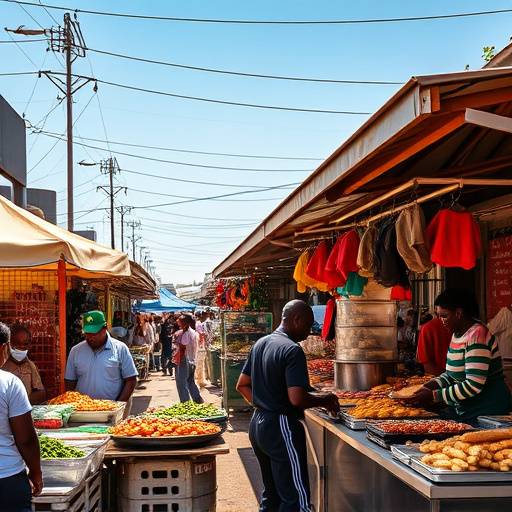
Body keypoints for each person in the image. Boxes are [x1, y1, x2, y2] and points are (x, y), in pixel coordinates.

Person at [236, 300, 340, 512]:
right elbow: (297, 399)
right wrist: (326, 400)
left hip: (258, 424)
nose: (309, 330)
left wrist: (264, 405)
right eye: (308, 324)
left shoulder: (261, 343)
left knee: (272, 495)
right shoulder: (292, 350)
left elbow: (242, 385)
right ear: (296, 319)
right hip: (281, 425)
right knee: (295, 498)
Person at [408, 289, 512, 421]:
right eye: (438, 316)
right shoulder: (457, 334)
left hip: (486, 412)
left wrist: (434, 396)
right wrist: (429, 386)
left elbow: (473, 385)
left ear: (458, 313)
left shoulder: (477, 336)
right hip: (466, 410)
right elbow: (451, 375)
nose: (441, 320)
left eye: (444, 316)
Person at [0, 322, 43, 511]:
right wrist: (35, 472)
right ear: (4, 348)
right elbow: (25, 439)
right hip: (7, 479)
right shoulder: (9, 382)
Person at [65, 310, 138, 405]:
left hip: (113, 407)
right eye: (87, 333)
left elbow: (131, 380)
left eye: (94, 333)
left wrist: (119, 405)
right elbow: (70, 381)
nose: (90, 337)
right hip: (83, 409)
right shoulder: (76, 351)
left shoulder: (120, 349)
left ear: (105, 328)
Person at [2, 324, 45, 405]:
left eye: (25, 344)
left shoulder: (30, 366)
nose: (21, 347)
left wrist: (22, 401)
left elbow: (41, 393)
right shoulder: (2, 365)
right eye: (17, 344)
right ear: (8, 344)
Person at [173, 314, 203, 403]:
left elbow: (183, 345)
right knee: (190, 381)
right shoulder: (194, 332)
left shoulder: (186, 333)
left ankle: (185, 403)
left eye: (180, 322)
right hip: (192, 360)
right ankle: (198, 400)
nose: (179, 324)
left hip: (184, 360)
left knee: (181, 383)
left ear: (185, 323)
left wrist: (177, 339)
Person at [195, 312, 208, 388]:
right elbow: (201, 334)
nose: (207, 317)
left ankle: (201, 380)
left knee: (200, 363)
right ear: (202, 316)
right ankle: (200, 380)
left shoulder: (199, 323)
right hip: (200, 346)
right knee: (200, 363)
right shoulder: (198, 324)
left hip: (200, 345)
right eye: (206, 315)